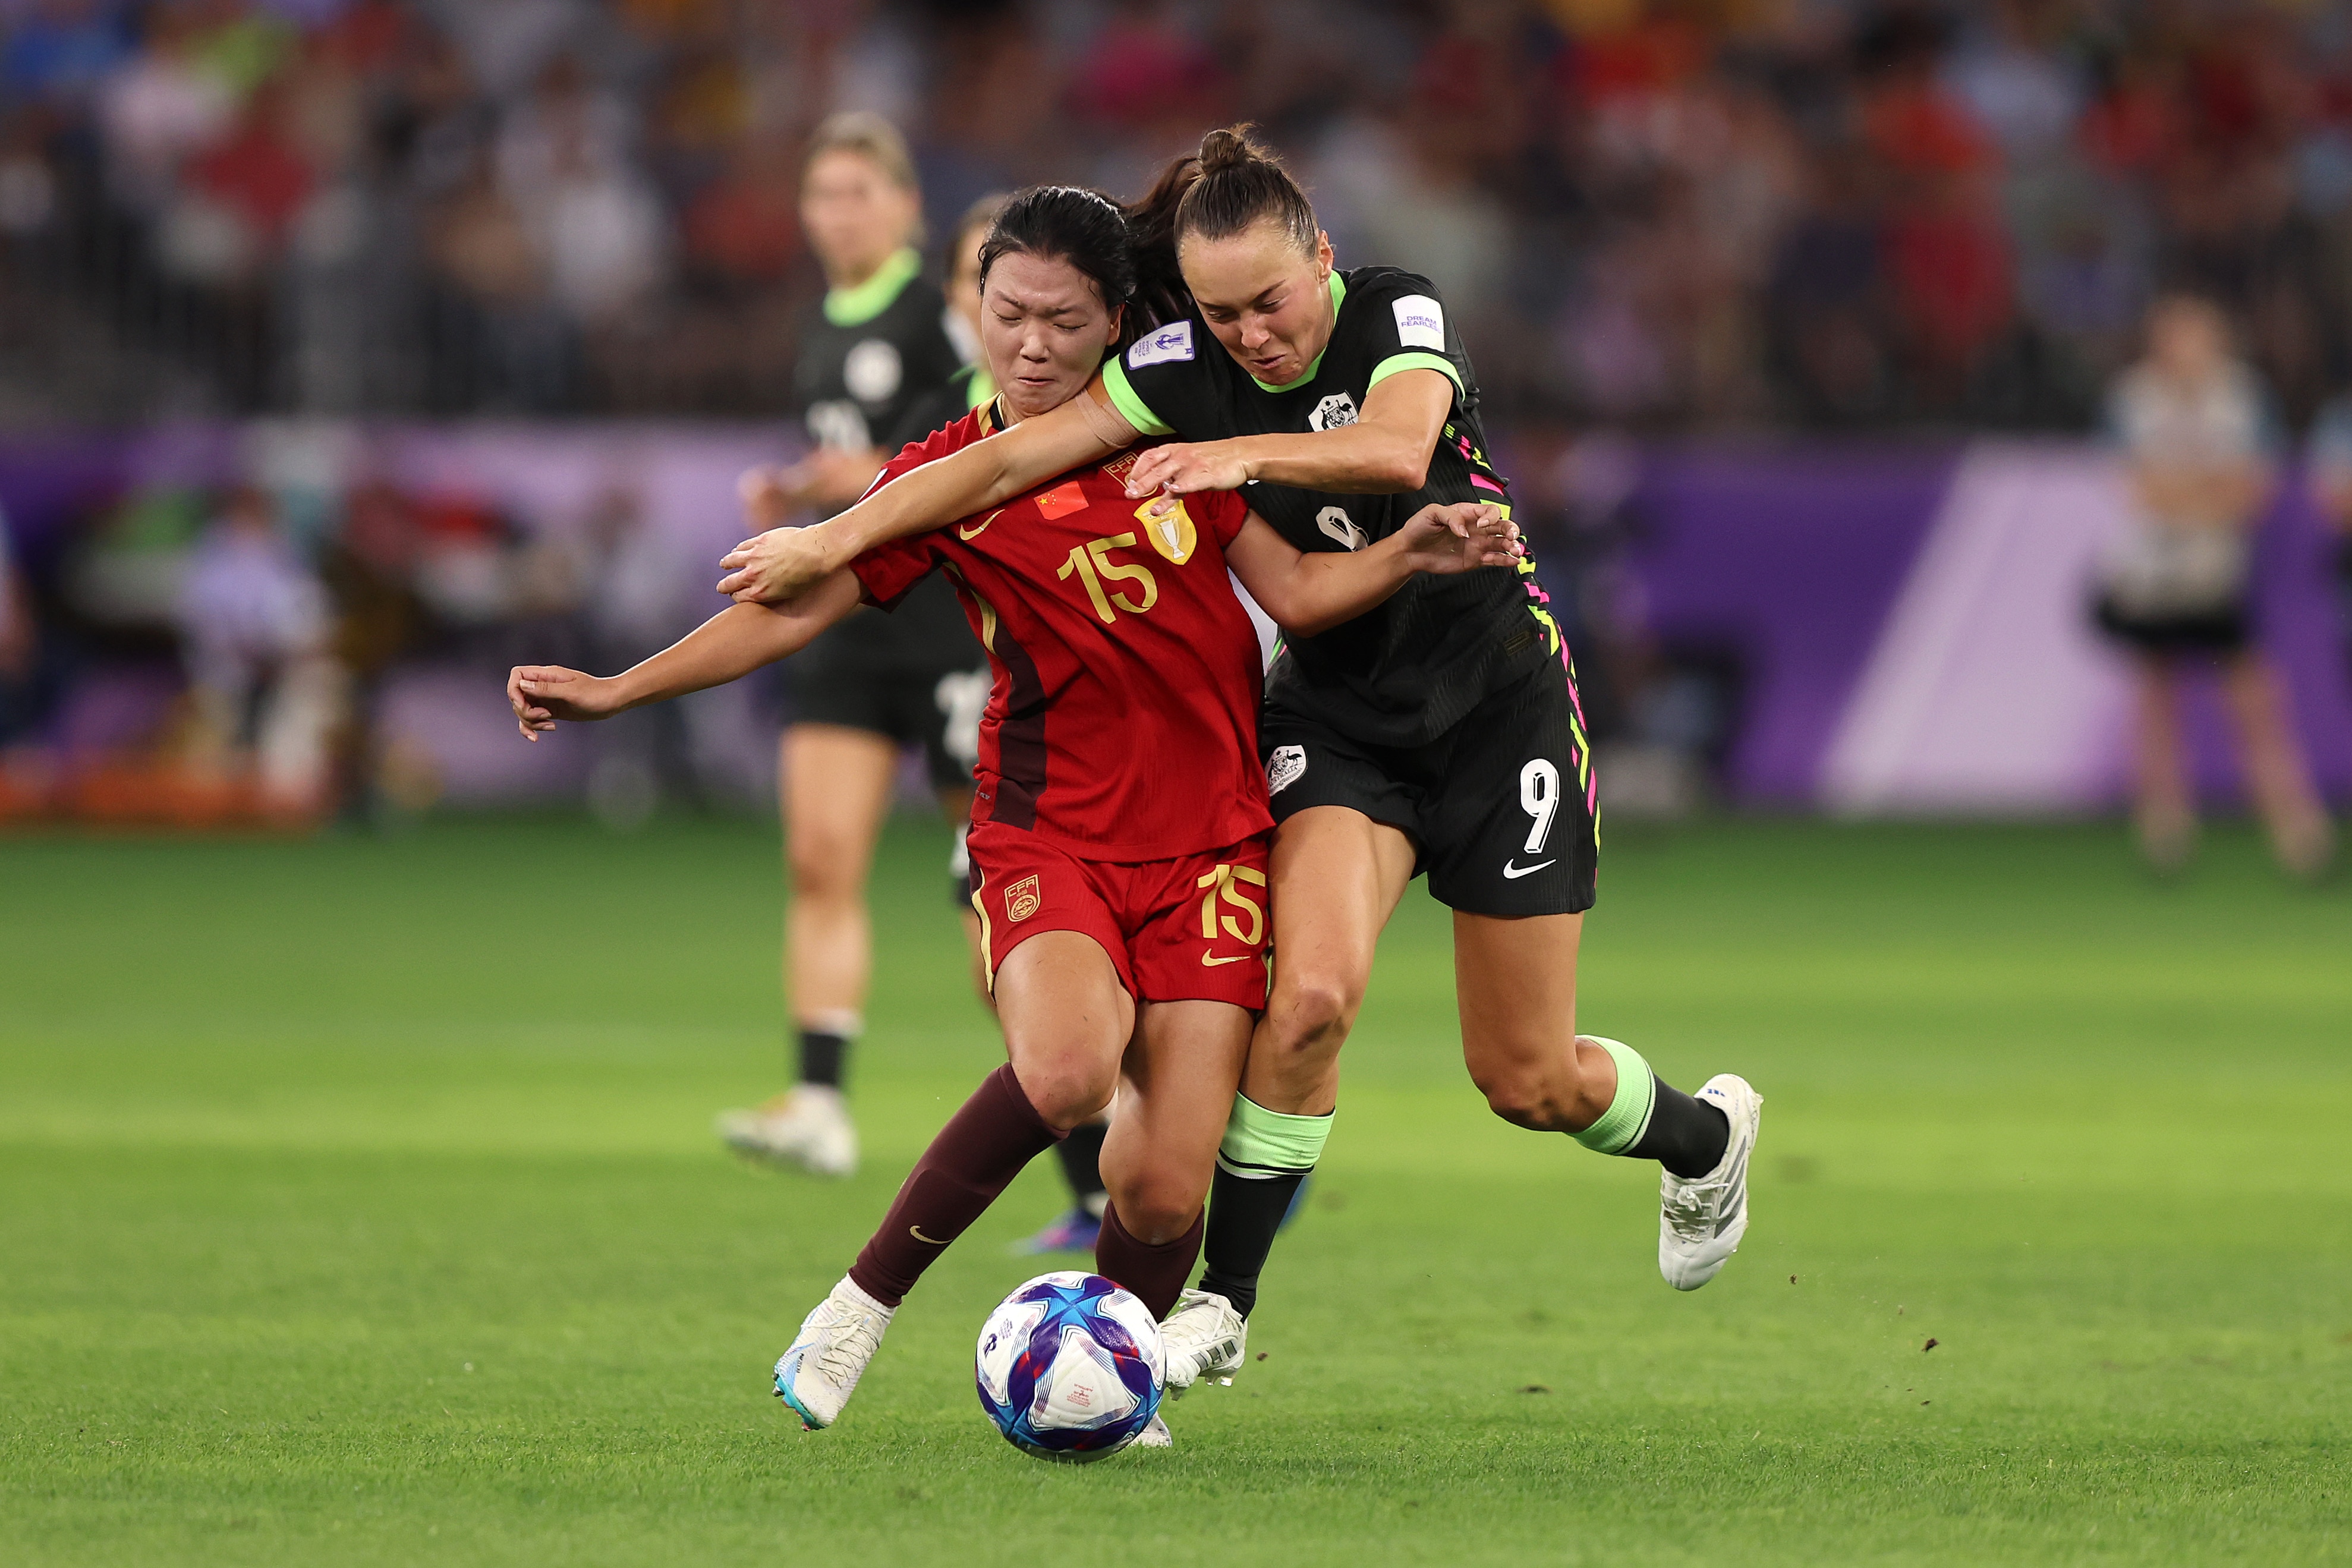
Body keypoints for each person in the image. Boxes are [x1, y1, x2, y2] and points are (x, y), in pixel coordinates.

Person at [713, 127, 1764, 1391]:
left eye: (1268, 301)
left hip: (1500, 711)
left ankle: (1703, 1135)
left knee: (1525, 1076)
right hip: (1338, 716)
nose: (1250, 335)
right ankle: (1225, 1298)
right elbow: (999, 458)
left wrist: (1234, 453)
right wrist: (832, 537)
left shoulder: (1393, 311)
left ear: (1320, 256)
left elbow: (1394, 447)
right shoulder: (1179, 367)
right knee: (1306, 998)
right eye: (1219, 314)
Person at [506, 184, 1520, 1442]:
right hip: (1054, 829)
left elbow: (1301, 591)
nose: (1030, 345)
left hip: (1213, 839)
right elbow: (796, 603)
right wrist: (620, 687)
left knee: (1161, 1187)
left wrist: (1406, 553)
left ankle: (1115, 1374)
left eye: (1062, 321)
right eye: (1006, 314)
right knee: (1067, 1069)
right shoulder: (947, 476)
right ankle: (855, 1308)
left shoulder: (1182, 435)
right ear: (973, 310)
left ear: (1117, 326)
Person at [712, 114, 983, 1179]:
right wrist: (799, 490)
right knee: (818, 855)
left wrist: (866, 473)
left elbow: (986, 434)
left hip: (949, 616)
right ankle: (819, 1099)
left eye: (859, 193)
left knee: (995, 882)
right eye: (822, 195)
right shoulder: (822, 321)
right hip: (848, 617)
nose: (838, 215)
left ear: (906, 206)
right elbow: (854, 464)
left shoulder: (945, 310)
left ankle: (1092, 1144)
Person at [2093, 295, 2334, 879]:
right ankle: (2164, 832)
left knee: (2255, 703)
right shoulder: (2133, 399)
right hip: (2153, 573)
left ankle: (2298, 834)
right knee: (2156, 699)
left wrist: (2190, 493)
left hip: (2220, 572)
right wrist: (2204, 491)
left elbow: (2253, 491)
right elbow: (2139, 489)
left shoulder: (2242, 398)